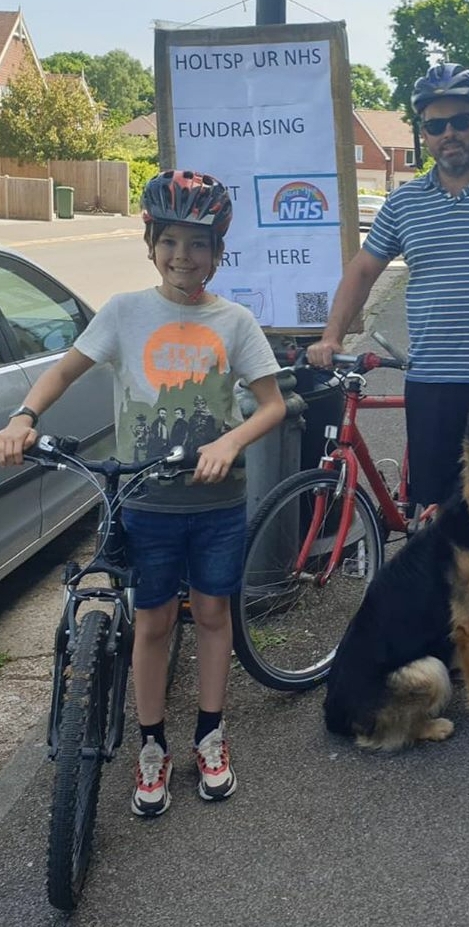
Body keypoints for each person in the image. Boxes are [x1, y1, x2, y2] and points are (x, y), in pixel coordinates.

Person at [0, 170, 286, 816]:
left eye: (199, 244)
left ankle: (210, 733)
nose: (184, 257)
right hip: (147, 502)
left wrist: (230, 442)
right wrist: (24, 417)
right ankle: (151, 742)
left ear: (218, 252)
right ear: (151, 243)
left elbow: (271, 405)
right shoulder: (124, 312)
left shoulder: (234, 321)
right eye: (171, 242)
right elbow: (63, 372)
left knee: (212, 615)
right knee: (152, 621)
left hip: (216, 503)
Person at [307, 63, 469, 684]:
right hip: (432, 383)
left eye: (460, 121)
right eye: (434, 125)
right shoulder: (405, 202)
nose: (447, 133)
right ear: (423, 134)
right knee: (433, 513)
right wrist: (330, 334)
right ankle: (449, 631)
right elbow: (363, 271)